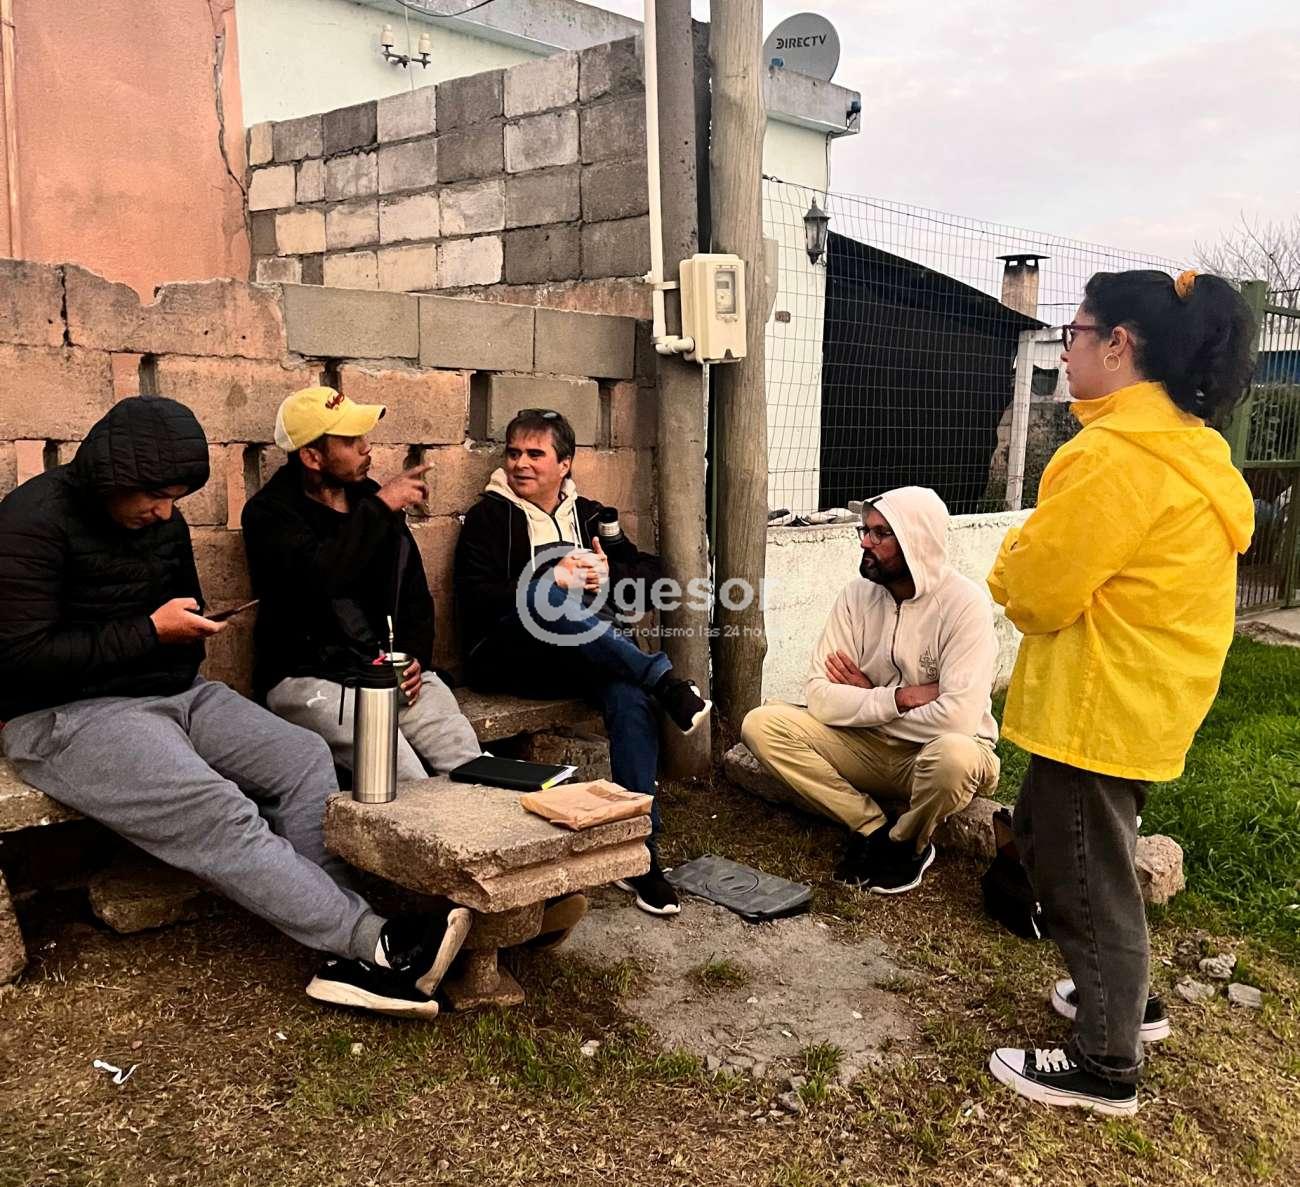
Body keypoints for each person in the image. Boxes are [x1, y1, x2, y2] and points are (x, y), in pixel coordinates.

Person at [0, 396, 470, 1019]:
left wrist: (188, 629)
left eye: (175, 498)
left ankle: (349, 931)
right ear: (113, 481)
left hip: (175, 691)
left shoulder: (162, 520)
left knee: (301, 757)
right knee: (217, 808)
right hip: (66, 715)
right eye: (155, 497)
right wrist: (150, 631)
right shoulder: (30, 523)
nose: (165, 512)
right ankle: (377, 945)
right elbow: (18, 658)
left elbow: (179, 607)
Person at [985, 269, 1255, 1117]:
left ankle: (1106, 1062)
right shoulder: (1188, 448)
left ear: (1118, 344)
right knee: (1054, 839)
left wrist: (1010, 558)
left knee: (1082, 873)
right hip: (1144, 697)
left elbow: (1037, 591)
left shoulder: (1114, 458)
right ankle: (1123, 998)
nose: (1064, 351)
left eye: (1073, 333)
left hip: (1100, 703)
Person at [454, 409, 710, 916]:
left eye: (535, 454)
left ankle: (639, 850)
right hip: (512, 657)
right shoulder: (490, 517)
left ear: (565, 463)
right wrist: (551, 581)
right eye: (513, 453)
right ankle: (663, 680)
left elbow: (651, 573)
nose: (520, 464)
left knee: (629, 698)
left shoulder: (592, 516)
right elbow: (474, 596)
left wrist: (609, 574)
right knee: (550, 598)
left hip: (587, 654)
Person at [741, 486, 1000, 893]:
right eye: (865, 531)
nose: (865, 542)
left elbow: (958, 719)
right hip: (869, 745)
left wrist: (863, 701)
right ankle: (871, 827)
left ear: (916, 539)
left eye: (881, 533)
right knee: (761, 725)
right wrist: (896, 698)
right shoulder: (855, 597)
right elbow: (819, 696)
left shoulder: (965, 605)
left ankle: (907, 844)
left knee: (954, 756)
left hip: (931, 757)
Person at [241, 386, 481, 780]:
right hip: (312, 679)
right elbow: (320, 579)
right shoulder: (269, 515)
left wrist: (415, 658)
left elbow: (412, 592)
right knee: (403, 774)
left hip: (386, 672)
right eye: (351, 441)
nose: (366, 447)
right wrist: (381, 508)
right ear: (312, 456)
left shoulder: (369, 500)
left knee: (467, 761)